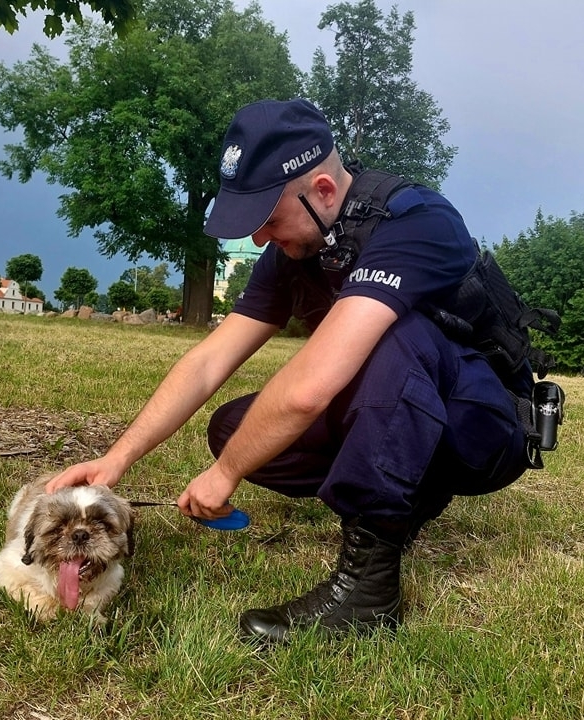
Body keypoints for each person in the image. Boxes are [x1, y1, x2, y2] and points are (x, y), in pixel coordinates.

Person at [46, 98, 535, 643]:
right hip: (416, 413)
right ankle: (406, 498)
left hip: (483, 431)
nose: (258, 239)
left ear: (322, 191)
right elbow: (210, 361)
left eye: (268, 219)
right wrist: (118, 457)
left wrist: (226, 473)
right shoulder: (295, 250)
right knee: (234, 428)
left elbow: (310, 387)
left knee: (393, 335)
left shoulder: (418, 223)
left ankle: (368, 592)